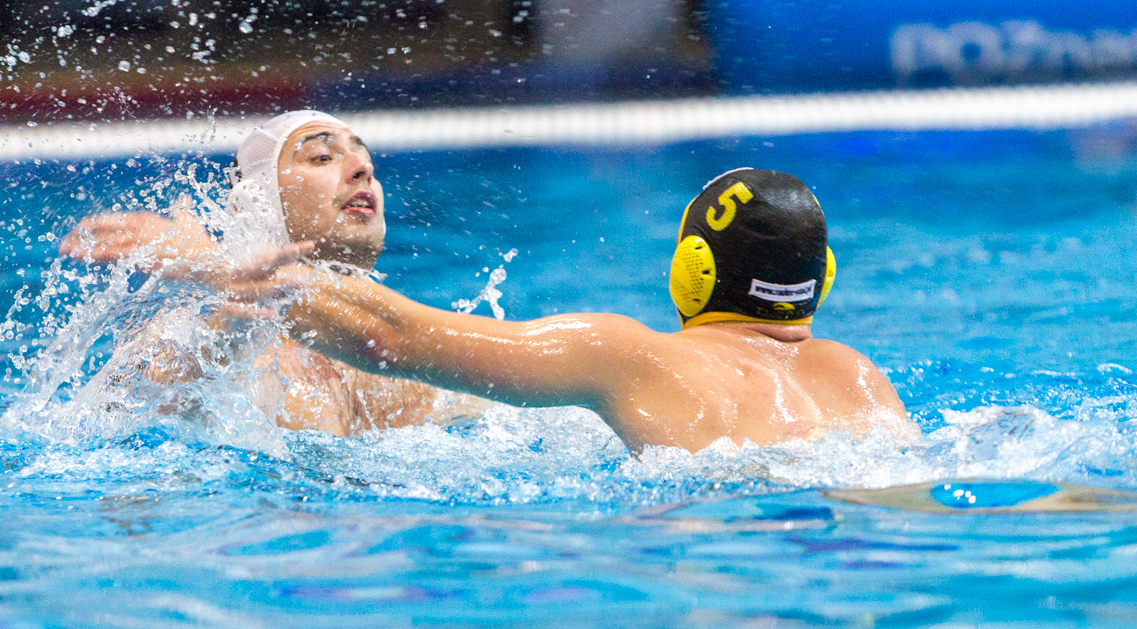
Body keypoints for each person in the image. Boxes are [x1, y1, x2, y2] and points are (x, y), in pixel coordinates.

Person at [64, 167, 914, 454]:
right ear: (823, 276)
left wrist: (211, 260)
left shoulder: (633, 355)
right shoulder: (864, 379)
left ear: (691, 273)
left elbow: (385, 333)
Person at [59, 110, 484, 436]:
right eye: (321, 156)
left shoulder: (413, 355)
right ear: (257, 204)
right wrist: (223, 336)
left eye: (365, 158)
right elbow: (111, 432)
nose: (363, 169)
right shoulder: (202, 330)